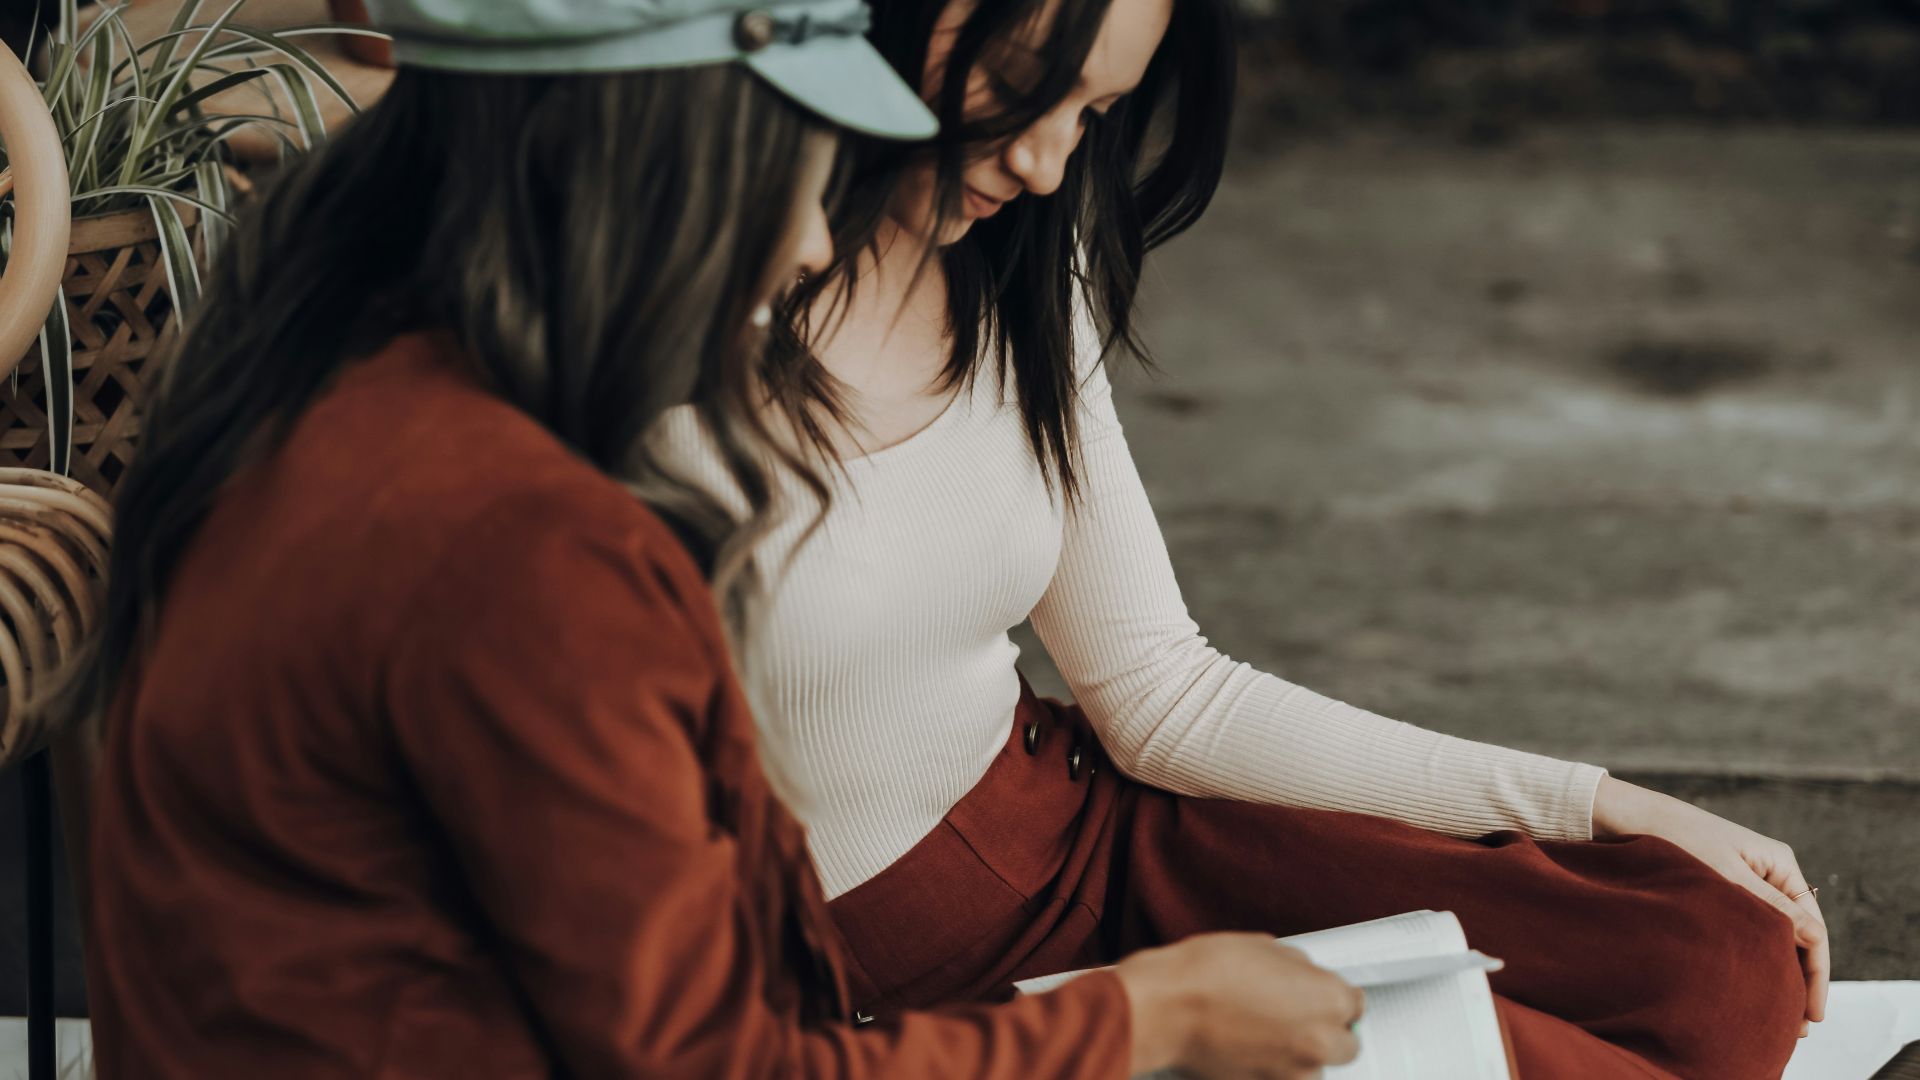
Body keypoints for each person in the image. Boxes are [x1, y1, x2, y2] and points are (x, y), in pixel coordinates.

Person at [62, 1, 1370, 1076]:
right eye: (793, 185)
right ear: (652, 174)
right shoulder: (521, 543)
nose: (810, 249)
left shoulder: (317, 397)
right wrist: (1153, 1019)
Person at [652, 0, 1827, 1075]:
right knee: (1527, 1062)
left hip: (1090, 833)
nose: (1049, 160)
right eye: (1022, 86)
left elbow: (1160, 692)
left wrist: (1600, 805)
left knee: (1725, 961)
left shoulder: (1014, 250)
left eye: (1095, 113)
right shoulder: (639, 336)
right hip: (888, 992)